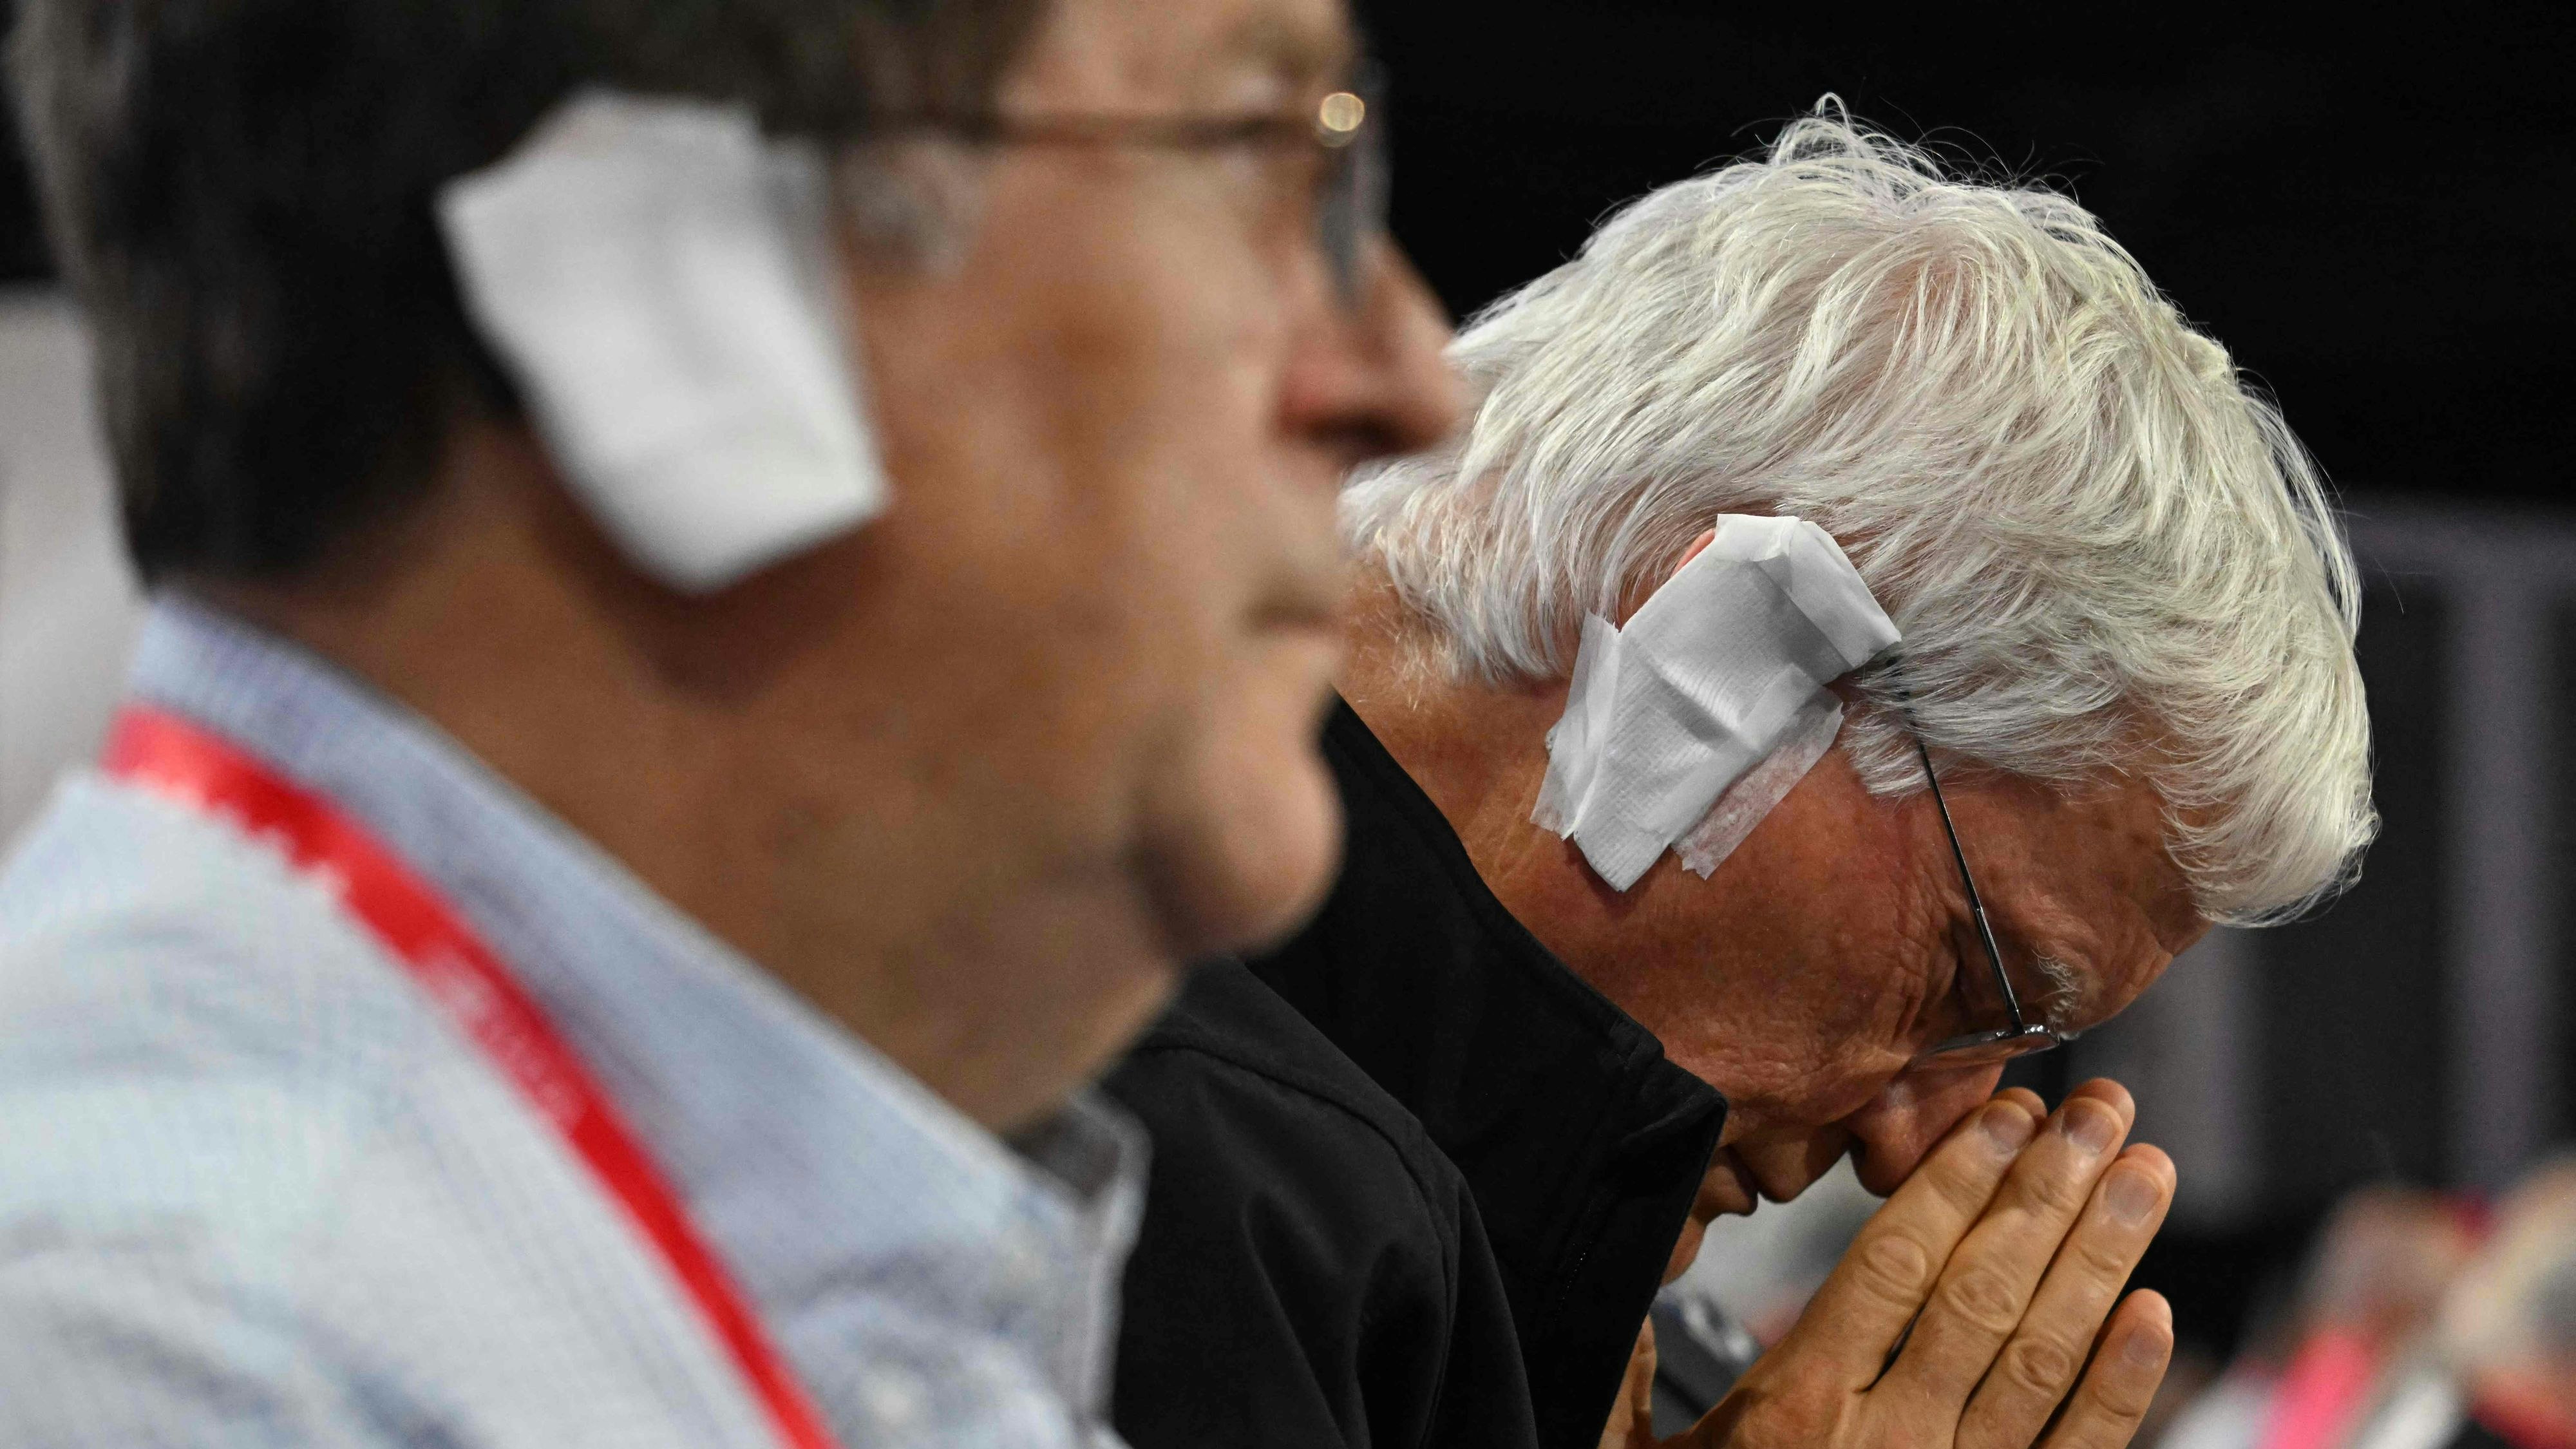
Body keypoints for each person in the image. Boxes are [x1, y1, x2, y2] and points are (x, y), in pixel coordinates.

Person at [0, 0, 1459, 1443]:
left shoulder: (627, 1276)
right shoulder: (190, 1364)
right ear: (660, 300)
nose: (1409, 382)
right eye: (1266, 156)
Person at [1105, 106, 2376, 1449]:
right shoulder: (1149, 1150)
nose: (1909, 1148)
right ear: (1714, 663)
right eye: (1969, 982)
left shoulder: (1371, 1202)